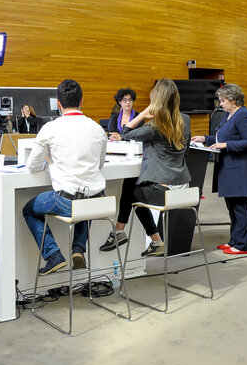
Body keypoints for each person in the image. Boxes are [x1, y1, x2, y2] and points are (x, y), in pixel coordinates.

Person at [22, 79, 107, 275]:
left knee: (29, 210)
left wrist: (48, 162)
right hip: (98, 199)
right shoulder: (97, 128)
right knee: (86, 200)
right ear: (82, 101)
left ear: (58, 104)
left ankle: (53, 255)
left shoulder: (50, 128)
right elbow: (100, 164)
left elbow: (33, 166)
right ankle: (78, 248)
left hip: (68, 202)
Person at [99, 79, 190, 256]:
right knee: (133, 183)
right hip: (184, 186)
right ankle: (143, 238)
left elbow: (126, 133)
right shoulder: (185, 120)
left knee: (131, 190)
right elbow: (184, 151)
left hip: (165, 190)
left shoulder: (157, 126)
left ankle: (123, 232)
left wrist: (142, 114)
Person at [191, 83, 247, 255]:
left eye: (223, 100)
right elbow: (220, 136)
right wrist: (204, 138)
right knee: (232, 206)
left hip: (239, 169)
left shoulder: (243, 115)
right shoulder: (227, 115)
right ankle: (234, 240)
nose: (220, 104)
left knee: (240, 207)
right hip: (228, 168)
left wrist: (225, 145)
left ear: (234, 99)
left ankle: (243, 245)